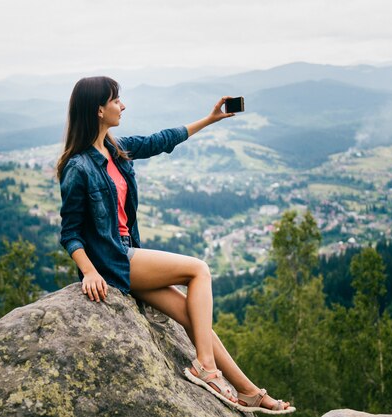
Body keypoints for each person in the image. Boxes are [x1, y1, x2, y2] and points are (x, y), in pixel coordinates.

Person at [57, 76, 295, 414]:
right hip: (114, 261)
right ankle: (207, 369)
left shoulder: (116, 149)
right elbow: (70, 233)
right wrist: (90, 272)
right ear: (98, 109)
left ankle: (248, 391)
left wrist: (210, 119)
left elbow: (162, 140)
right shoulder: (78, 167)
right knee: (198, 270)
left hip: (127, 256)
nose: (122, 105)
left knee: (192, 316)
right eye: (116, 100)